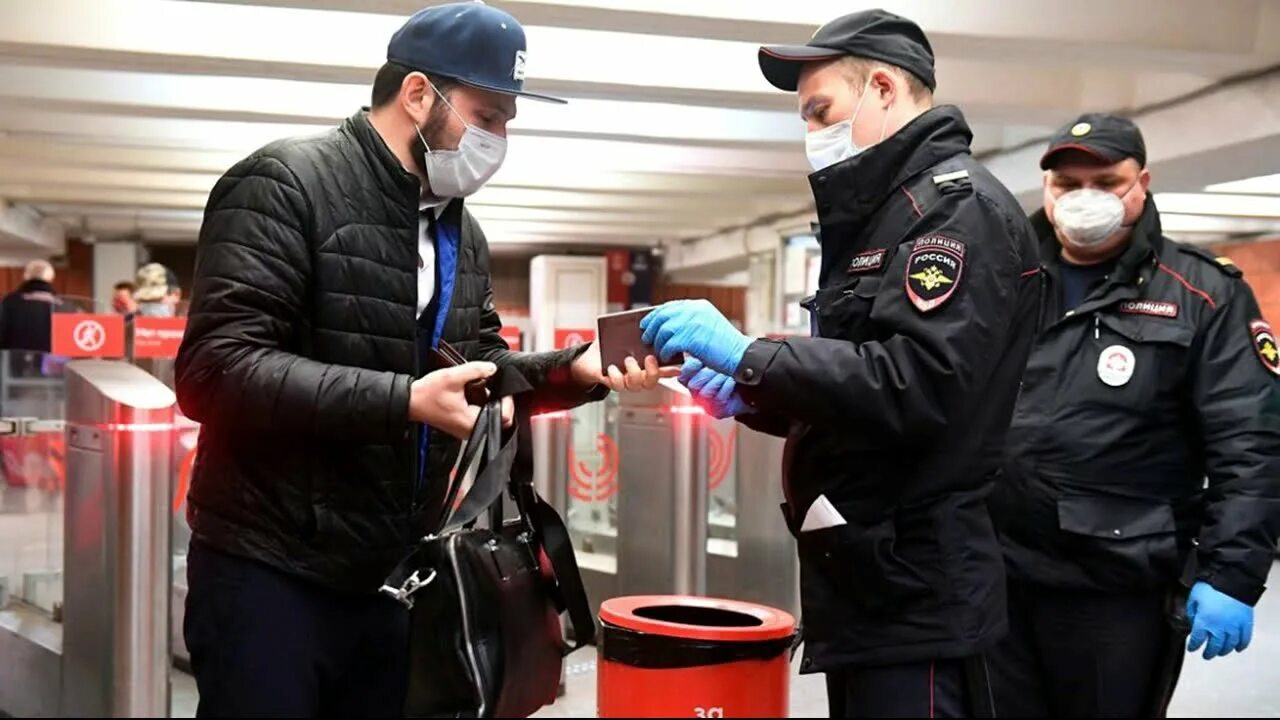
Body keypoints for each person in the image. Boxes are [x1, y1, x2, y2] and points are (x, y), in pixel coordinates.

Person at [173, 3, 667, 717]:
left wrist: (576, 372)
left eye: (506, 124)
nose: (497, 139)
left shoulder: (459, 232)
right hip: (271, 569)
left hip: (393, 575)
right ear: (416, 95)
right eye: (487, 116)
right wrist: (402, 400)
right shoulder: (283, 184)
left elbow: (475, 368)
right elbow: (215, 371)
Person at [640, 9, 1042, 718]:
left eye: (820, 111)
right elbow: (862, 388)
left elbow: (918, 387)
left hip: (916, 583)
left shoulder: (954, 213)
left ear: (883, 87)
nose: (812, 134)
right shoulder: (891, 216)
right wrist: (752, 392)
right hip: (870, 577)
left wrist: (751, 352)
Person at [986, 113, 1280, 718]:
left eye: (1106, 181)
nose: (1083, 197)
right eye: (1068, 184)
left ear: (1142, 181)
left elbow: (1250, 441)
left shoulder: (1202, 292)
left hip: (1119, 584)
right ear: (1046, 188)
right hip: (998, 570)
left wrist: (1233, 573)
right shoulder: (1003, 279)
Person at [0, 259, 59, 354]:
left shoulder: (8, 302)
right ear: (51, 278)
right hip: (52, 364)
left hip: (10, 364)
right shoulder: (64, 306)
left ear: (25, 276)